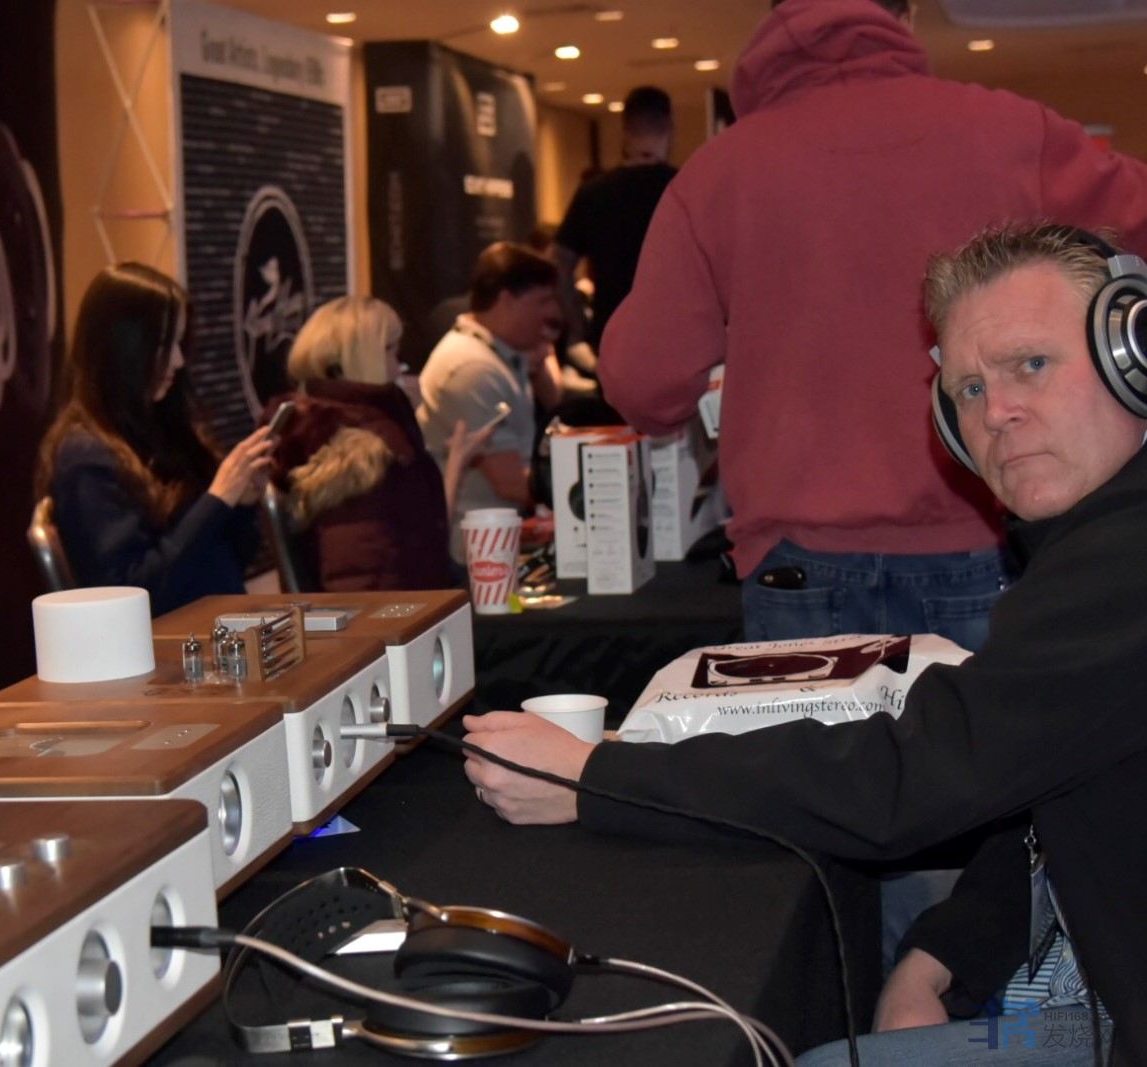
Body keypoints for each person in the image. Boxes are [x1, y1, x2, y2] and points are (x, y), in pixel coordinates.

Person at [467, 224, 1147, 1063]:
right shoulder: (1097, 544)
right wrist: (944, 952)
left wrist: (596, 778)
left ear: (1134, 353)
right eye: (968, 388)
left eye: (1031, 364)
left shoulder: (1121, 564)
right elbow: (1047, 774)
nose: (997, 411)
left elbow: (903, 777)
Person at [600, 0, 1147, 652]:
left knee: (809, 729)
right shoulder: (1013, 131)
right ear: (905, 15)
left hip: (798, 561)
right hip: (981, 541)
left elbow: (644, 384)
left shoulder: (717, 173)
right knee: (996, 720)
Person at [35, 263, 273, 617]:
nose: (178, 360)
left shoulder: (160, 431)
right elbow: (136, 592)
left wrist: (240, 505)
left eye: (180, 342)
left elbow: (227, 561)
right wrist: (218, 499)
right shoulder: (85, 459)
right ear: (123, 347)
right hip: (174, 641)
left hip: (219, 625)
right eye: (164, 344)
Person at [267, 296, 491, 591]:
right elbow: (365, 579)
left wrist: (453, 462)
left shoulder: (325, 431)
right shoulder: (363, 446)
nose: (399, 367)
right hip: (397, 616)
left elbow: (417, 542)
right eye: (391, 351)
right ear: (361, 356)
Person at [418, 242, 562, 558]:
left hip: (501, 539)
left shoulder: (499, 353)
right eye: (542, 301)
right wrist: (588, 488)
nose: (551, 313)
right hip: (476, 555)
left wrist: (539, 363)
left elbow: (556, 406)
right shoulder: (472, 369)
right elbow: (512, 484)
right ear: (506, 299)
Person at [552, 86, 676, 362]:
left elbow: (559, 264)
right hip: (677, 339)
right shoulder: (687, 188)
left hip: (613, 339)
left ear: (625, 130)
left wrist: (578, 330)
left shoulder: (594, 192)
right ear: (669, 128)